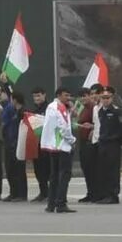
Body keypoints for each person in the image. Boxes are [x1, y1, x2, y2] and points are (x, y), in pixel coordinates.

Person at [39, 85, 75, 213]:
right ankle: (61, 203)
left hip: (52, 146)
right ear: (59, 95)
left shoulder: (51, 107)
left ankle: (51, 204)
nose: (68, 98)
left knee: (54, 176)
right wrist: (72, 140)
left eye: (69, 95)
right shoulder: (60, 108)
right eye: (66, 95)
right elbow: (63, 127)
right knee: (64, 175)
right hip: (62, 145)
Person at [92, 87, 122, 203]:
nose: (105, 100)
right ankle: (105, 194)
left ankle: (113, 194)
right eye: (103, 98)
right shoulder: (100, 111)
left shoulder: (116, 111)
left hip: (113, 143)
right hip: (103, 143)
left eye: (107, 98)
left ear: (111, 98)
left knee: (113, 170)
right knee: (103, 169)